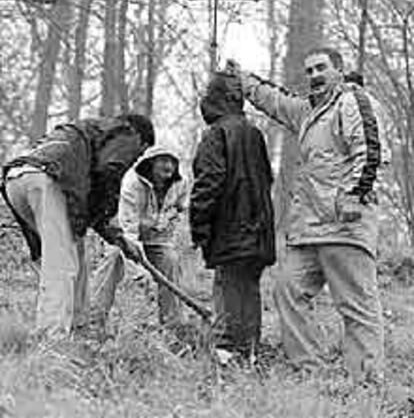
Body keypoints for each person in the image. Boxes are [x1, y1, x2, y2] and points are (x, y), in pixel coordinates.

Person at [228, 47, 390, 381]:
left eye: (321, 68)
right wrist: (241, 78)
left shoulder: (353, 102)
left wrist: (353, 199)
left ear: (339, 71)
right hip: (307, 231)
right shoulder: (307, 112)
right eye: (310, 70)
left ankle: (366, 383)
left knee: (356, 306)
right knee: (287, 291)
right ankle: (311, 372)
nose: (314, 75)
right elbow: (275, 100)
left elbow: (371, 151)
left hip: (345, 228)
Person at [1, 114, 154, 340]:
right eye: (140, 153)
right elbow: (109, 171)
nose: (135, 159)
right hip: (49, 178)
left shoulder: (94, 133)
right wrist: (112, 221)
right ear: (141, 139)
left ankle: (78, 329)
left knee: (75, 253)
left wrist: (118, 237)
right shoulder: (127, 133)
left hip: (17, 180)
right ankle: (52, 338)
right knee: (61, 264)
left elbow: (93, 197)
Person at [190, 71, 275, 364]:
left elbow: (208, 183)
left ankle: (226, 356)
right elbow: (268, 180)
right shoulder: (254, 133)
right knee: (249, 290)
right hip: (260, 232)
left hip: (230, 231)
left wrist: (199, 226)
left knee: (227, 288)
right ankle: (248, 353)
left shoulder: (216, 134)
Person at [90, 145, 188, 333]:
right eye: (162, 160)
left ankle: (173, 326)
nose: (168, 166)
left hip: (157, 238)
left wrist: (168, 226)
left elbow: (180, 209)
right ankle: (94, 320)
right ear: (151, 163)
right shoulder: (132, 183)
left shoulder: (181, 184)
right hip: (123, 234)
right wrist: (138, 272)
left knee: (171, 260)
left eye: (172, 161)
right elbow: (128, 230)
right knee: (112, 260)